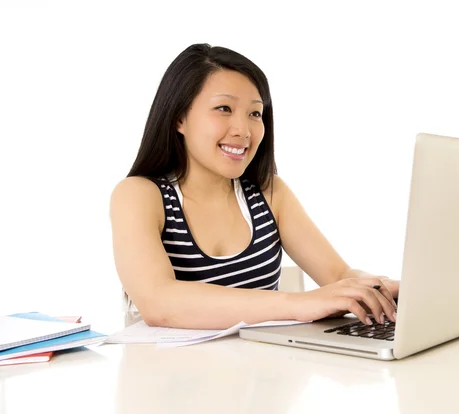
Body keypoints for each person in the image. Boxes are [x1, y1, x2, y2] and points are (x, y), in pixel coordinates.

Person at [109, 43, 399, 330]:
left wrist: (380, 288)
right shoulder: (139, 195)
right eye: (224, 108)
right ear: (179, 118)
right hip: (172, 374)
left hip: (261, 370)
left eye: (255, 113)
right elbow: (159, 303)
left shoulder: (268, 192)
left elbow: (339, 274)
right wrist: (300, 304)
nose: (243, 130)